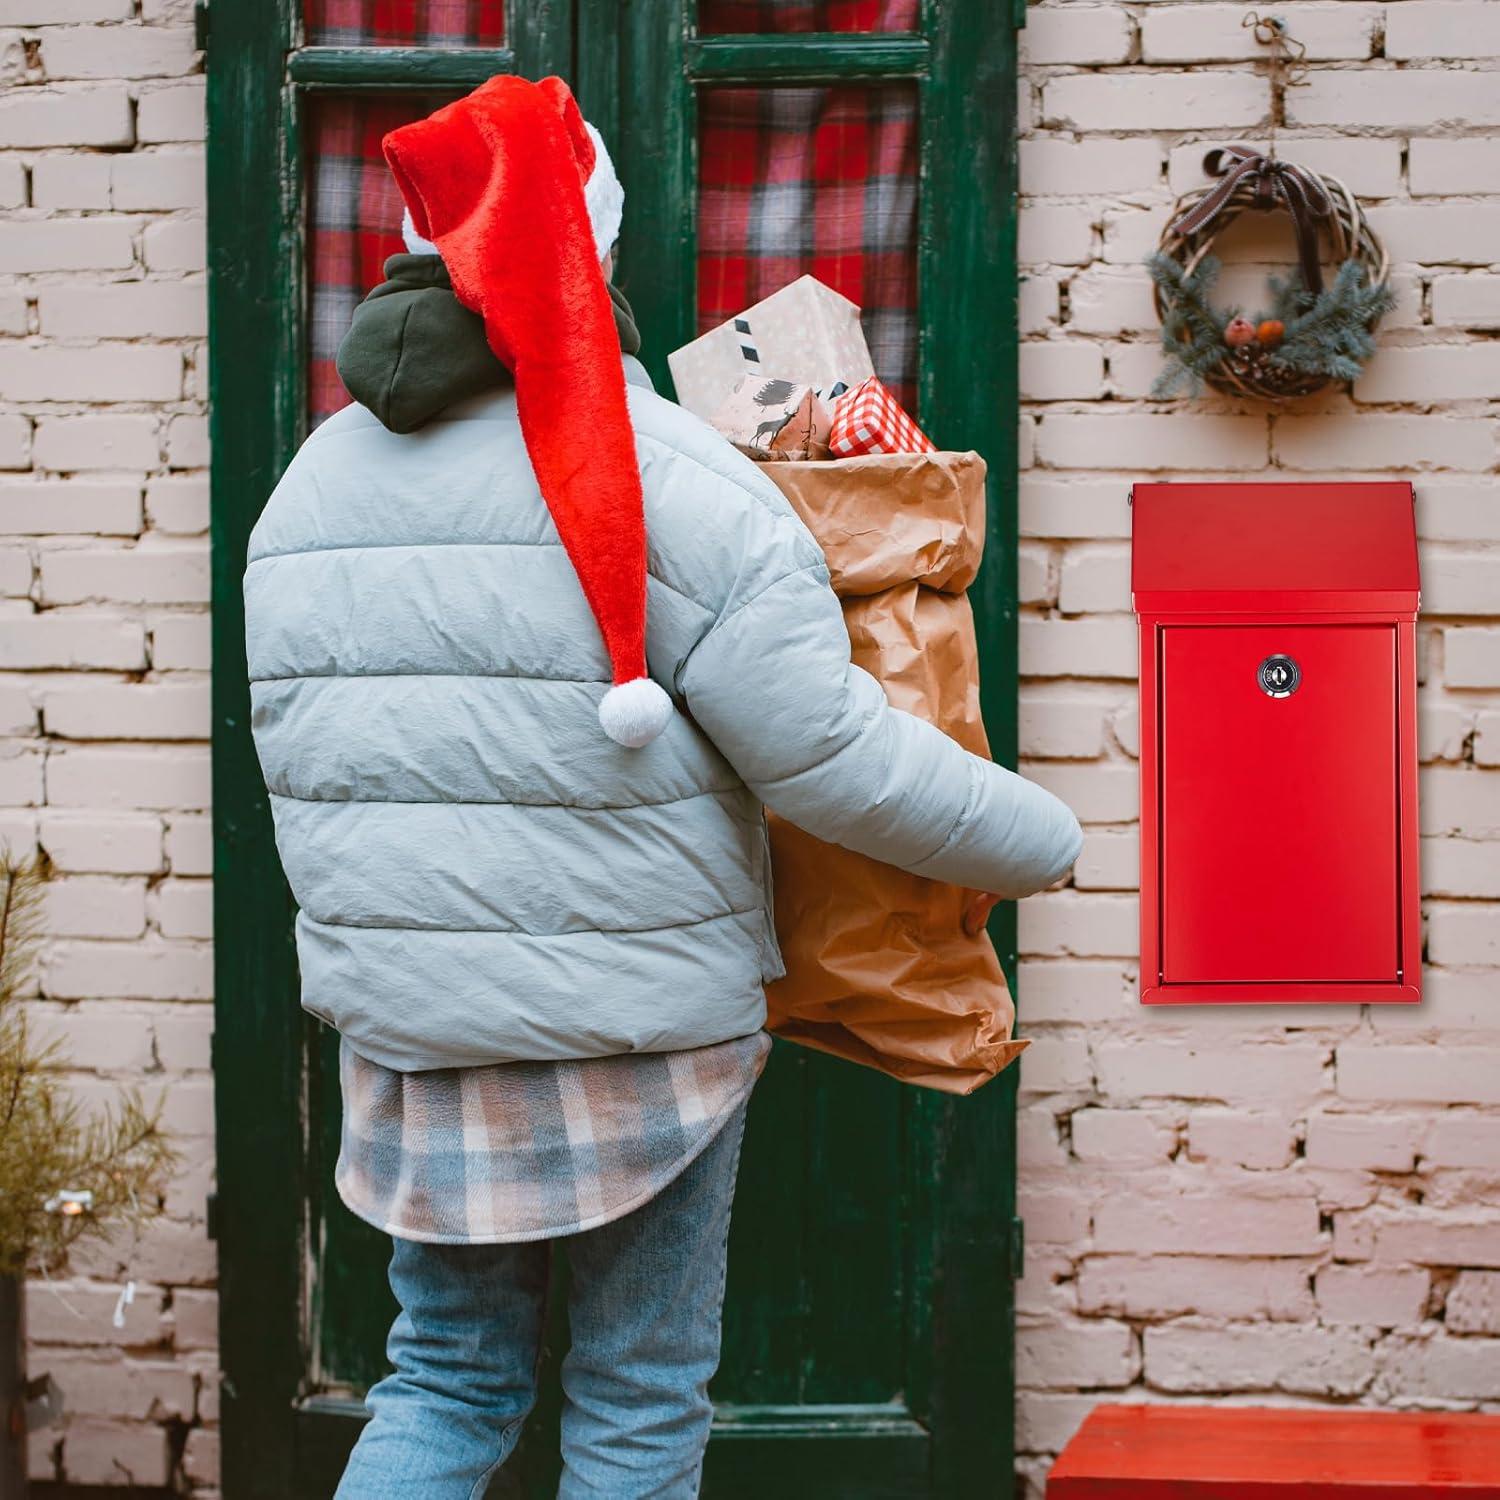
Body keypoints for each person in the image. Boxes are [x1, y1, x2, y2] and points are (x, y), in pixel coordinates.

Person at [244, 75, 1081, 1500]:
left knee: (443, 1378)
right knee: (636, 1402)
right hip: (641, 1035)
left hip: (416, 1032)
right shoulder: (676, 475)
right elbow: (833, 761)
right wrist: (1045, 837)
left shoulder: (313, 480)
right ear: (599, 245)